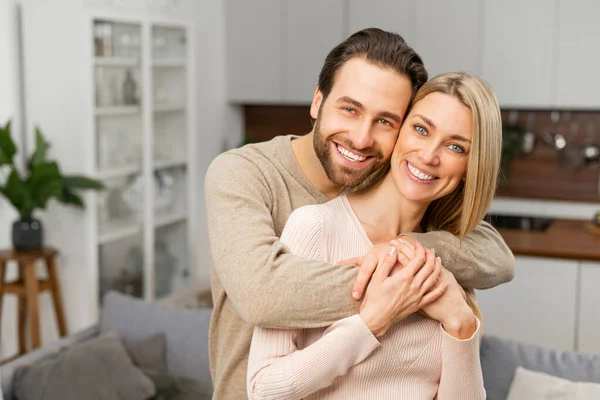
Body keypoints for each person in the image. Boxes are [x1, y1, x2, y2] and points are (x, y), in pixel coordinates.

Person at [205, 28, 515, 399]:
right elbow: (262, 294)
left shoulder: (410, 195)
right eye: (349, 109)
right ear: (318, 101)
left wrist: (410, 256)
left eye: (385, 120)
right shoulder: (246, 175)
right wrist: (399, 284)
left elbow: (497, 257)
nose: (362, 138)